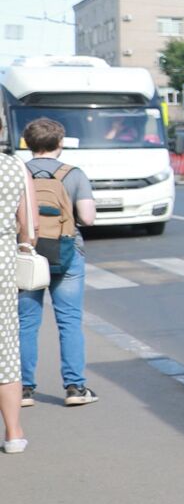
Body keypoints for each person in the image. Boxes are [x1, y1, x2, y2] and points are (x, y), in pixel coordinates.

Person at [18, 117, 95, 407]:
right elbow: (87, 217)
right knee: (70, 320)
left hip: (26, 251)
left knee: (26, 321)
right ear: (59, 144)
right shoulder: (74, 174)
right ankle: (75, 388)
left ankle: (24, 389)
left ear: (28, 143)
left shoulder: (17, 171)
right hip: (66, 251)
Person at [1, 148, 30, 453]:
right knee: (6, 349)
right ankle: (13, 434)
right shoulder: (15, 168)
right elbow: (28, 225)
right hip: (2, 267)